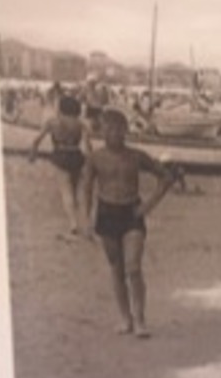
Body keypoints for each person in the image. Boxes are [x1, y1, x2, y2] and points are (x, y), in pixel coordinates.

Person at [80, 108, 174, 337]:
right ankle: (125, 318)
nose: (113, 133)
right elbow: (86, 188)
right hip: (106, 212)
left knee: (133, 267)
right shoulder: (95, 158)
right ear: (101, 130)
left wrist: (148, 206)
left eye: (118, 128)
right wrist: (85, 219)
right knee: (116, 268)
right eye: (108, 128)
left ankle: (140, 320)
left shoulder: (136, 156)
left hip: (132, 213)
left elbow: (166, 177)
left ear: (125, 130)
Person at [28, 94, 92, 236]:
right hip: (76, 156)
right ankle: (86, 223)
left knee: (66, 191)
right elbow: (88, 146)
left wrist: (33, 154)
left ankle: (73, 223)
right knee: (80, 192)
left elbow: (37, 140)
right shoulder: (81, 124)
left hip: (60, 155)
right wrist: (90, 161)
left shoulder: (52, 122)